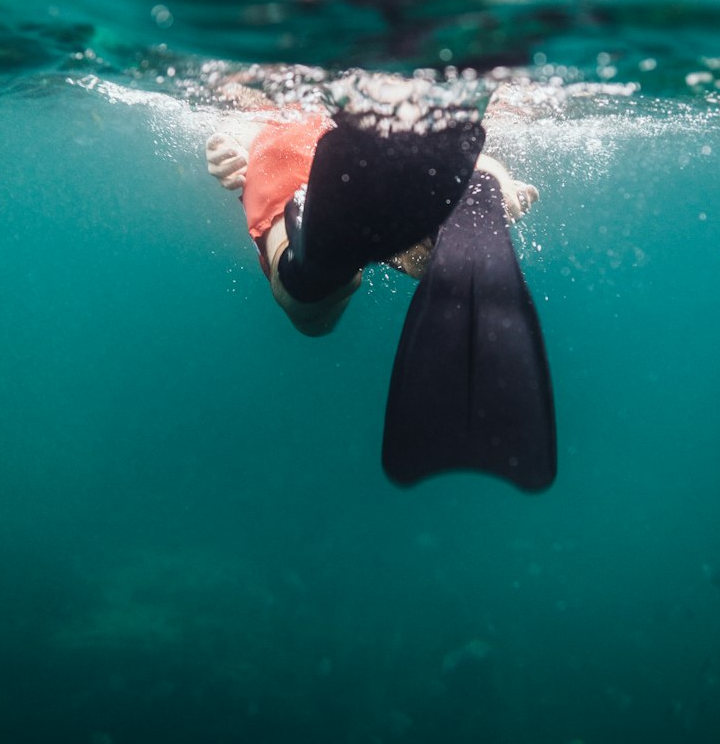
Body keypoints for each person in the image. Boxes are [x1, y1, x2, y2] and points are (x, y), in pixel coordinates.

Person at [205, 80, 557, 492]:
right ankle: (479, 192)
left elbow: (237, 127)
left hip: (294, 145)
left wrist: (227, 149)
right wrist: (225, 149)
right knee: (448, 177)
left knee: (309, 310)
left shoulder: (268, 97)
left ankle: (319, 256)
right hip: (405, 137)